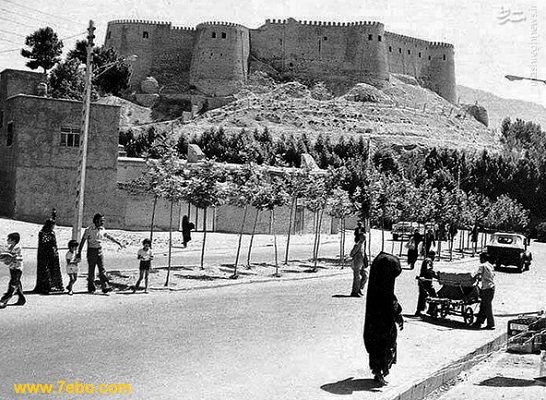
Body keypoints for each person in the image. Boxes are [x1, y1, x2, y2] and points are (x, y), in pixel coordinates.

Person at [364, 252, 404, 386]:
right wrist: (397, 313)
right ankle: (379, 372)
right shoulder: (383, 288)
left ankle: (378, 372)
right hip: (382, 323)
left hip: (376, 322)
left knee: (380, 346)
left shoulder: (376, 285)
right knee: (384, 345)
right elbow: (389, 300)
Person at [77, 213, 124, 294]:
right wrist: (79, 252)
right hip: (91, 251)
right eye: (101, 220)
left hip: (99, 250)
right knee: (91, 270)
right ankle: (91, 287)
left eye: (103, 220)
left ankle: (105, 286)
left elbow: (108, 236)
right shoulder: (89, 230)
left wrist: (118, 242)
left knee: (102, 269)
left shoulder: (102, 229)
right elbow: (82, 241)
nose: (102, 222)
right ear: (96, 221)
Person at [34, 218, 63, 294]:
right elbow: (45, 243)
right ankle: (45, 287)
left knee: (52, 270)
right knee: (45, 270)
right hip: (45, 255)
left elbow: (54, 244)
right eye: (53, 225)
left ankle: (53, 286)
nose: (54, 226)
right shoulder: (43, 233)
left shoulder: (51, 233)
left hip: (51, 255)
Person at [0, 232, 26, 308]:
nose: (7, 240)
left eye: (9, 239)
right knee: (17, 282)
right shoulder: (10, 247)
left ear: (14, 240)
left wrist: (11, 258)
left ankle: (4, 300)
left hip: (17, 268)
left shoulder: (17, 247)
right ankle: (21, 299)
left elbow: (19, 257)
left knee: (13, 283)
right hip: (12, 267)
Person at [472, 252, 495, 330]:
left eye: (480, 258)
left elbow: (477, 276)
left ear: (483, 259)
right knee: (483, 306)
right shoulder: (490, 265)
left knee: (487, 307)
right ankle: (478, 322)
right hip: (491, 288)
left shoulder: (482, 266)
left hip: (486, 288)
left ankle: (491, 324)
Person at [415, 250, 437, 317]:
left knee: (422, 296)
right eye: (434, 256)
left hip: (423, 281)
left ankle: (419, 311)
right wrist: (436, 276)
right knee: (433, 295)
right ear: (432, 256)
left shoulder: (426, 260)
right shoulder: (429, 260)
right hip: (425, 282)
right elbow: (429, 269)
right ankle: (431, 310)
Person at [349, 233, 368, 297]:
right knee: (357, 278)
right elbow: (351, 254)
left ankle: (359, 289)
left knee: (365, 276)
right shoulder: (357, 245)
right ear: (360, 238)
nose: (364, 239)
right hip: (356, 264)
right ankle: (354, 292)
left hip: (362, 264)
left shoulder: (363, 245)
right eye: (363, 237)